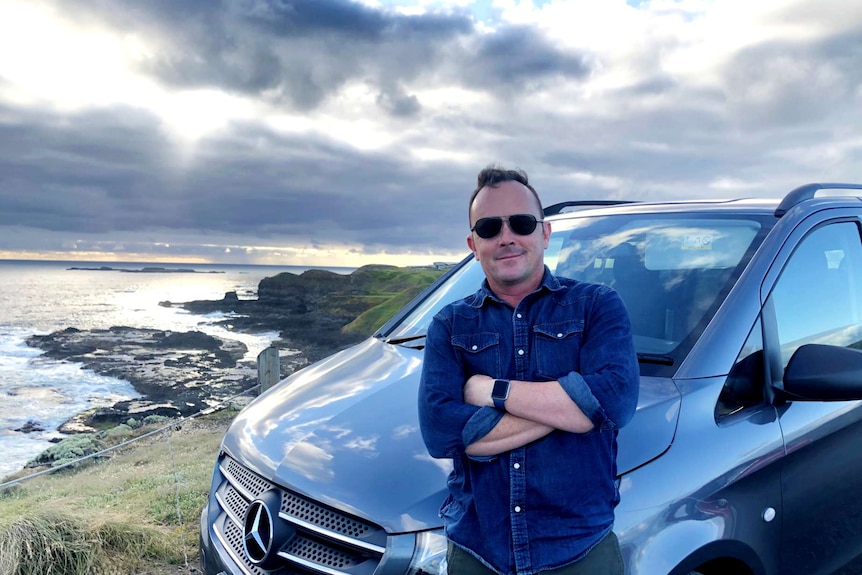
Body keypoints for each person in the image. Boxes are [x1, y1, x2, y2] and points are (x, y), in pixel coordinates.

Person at [418, 165, 639, 575]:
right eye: (489, 228)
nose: (506, 237)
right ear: (473, 243)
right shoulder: (449, 325)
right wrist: (572, 410)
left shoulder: (597, 306)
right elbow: (439, 430)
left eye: (521, 223)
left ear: (544, 233)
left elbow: (615, 401)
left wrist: (492, 390)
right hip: (478, 554)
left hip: (580, 552)